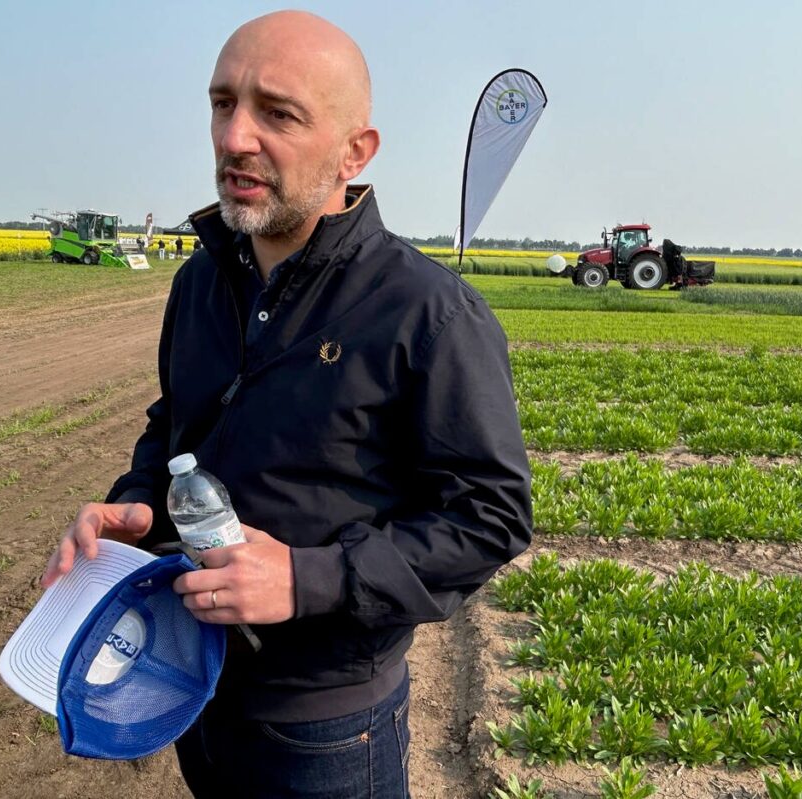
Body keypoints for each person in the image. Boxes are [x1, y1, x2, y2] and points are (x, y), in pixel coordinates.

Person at [40, 10, 532, 799]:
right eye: (222, 103)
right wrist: (135, 502)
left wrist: (308, 578)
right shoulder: (198, 283)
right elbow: (174, 426)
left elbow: (489, 518)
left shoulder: (427, 313)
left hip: (327, 730)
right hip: (189, 685)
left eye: (278, 113)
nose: (235, 138)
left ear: (355, 150)